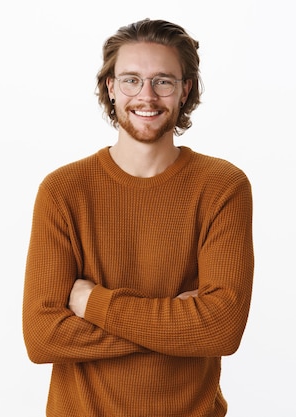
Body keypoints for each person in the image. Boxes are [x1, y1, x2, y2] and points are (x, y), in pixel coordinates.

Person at [22, 18, 254, 417]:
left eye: (163, 81)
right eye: (131, 80)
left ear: (185, 90)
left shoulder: (222, 186)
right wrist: (177, 325)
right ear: (110, 87)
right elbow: (43, 338)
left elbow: (221, 328)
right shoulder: (63, 191)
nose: (146, 96)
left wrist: (91, 301)